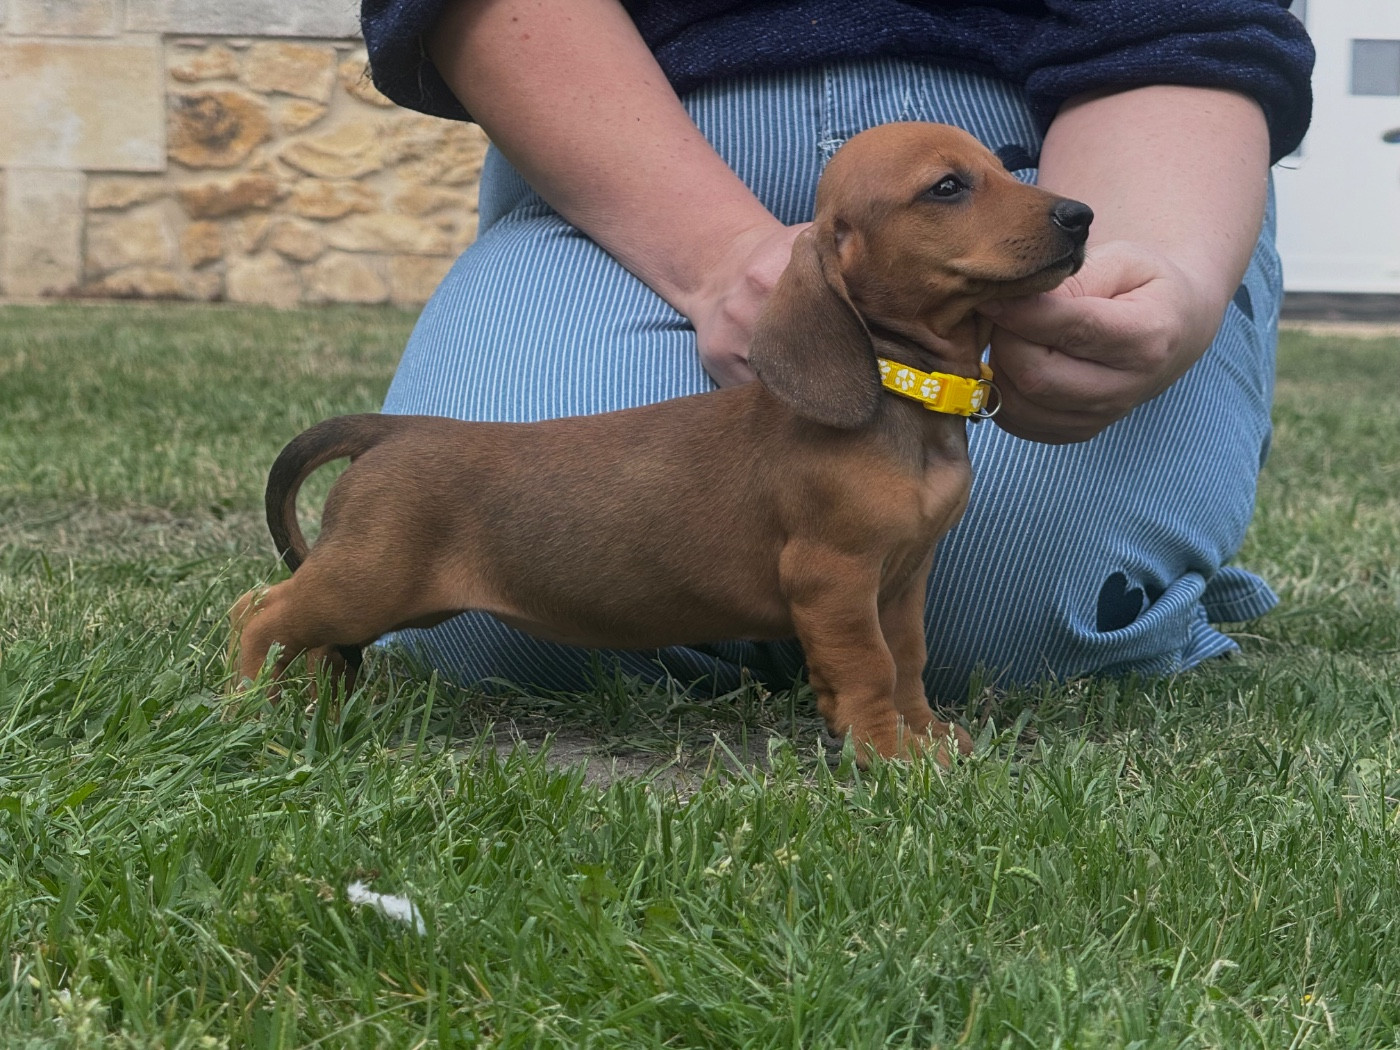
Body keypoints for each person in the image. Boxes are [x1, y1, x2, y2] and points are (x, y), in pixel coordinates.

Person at [358, 0, 1314, 701]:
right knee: (494, 606)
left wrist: (1142, 258)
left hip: (1079, 130)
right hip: (623, 146)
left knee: (1008, 624)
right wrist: (716, 254)